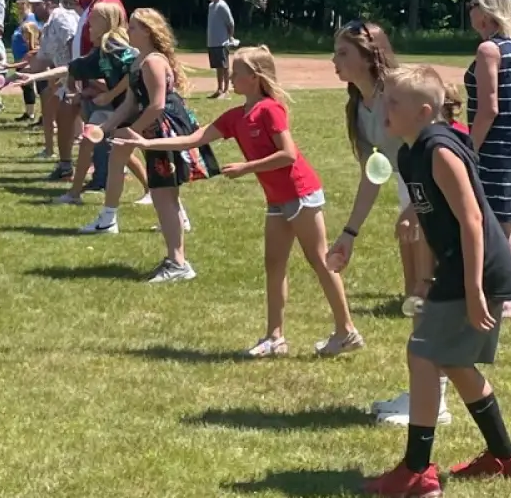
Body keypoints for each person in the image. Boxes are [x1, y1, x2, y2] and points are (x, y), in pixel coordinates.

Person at [121, 46, 360, 355]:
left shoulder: (270, 109)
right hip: (277, 199)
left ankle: (347, 331)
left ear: (255, 78)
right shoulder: (237, 116)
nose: (230, 78)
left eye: (237, 73)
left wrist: (247, 167)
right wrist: (146, 142)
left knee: (320, 261)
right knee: (274, 265)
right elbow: (195, 138)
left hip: (301, 194)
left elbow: (288, 154)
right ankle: (275, 338)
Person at [365, 64, 511, 495]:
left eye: (393, 102)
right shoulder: (409, 151)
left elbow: (472, 218)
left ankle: (417, 471)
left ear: (422, 111)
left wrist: (474, 291)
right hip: (456, 268)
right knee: (452, 361)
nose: (385, 107)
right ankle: (506, 457)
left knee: (422, 354)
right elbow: (431, 213)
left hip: (478, 270)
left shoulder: (440, 149)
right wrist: (422, 272)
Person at [326, 20, 441, 425]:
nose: (335, 61)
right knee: (414, 296)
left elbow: (436, 142)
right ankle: (423, 394)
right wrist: (349, 233)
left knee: (427, 296)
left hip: (432, 195)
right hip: (410, 196)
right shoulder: (359, 105)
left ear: (369, 55)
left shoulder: (397, 91)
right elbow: (374, 173)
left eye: (343, 53)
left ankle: (433, 403)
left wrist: (420, 202)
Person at [99, 8, 205, 283]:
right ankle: (176, 260)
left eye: (133, 27)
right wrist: (105, 127)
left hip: (165, 128)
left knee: (163, 195)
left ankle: (178, 263)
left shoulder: (153, 62)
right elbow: (131, 104)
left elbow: (157, 104)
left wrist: (134, 134)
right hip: (153, 129)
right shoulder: (138, 61)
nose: (128, 31)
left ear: (147, 31)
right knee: (163, 195)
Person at [463, 0, 511, 321]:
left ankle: (506, 297)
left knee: (498, 221)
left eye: (473, 5)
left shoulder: (489, 51)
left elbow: (489, 108)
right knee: (509, 218)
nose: (470, 12)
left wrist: (469, 149)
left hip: (500, 141)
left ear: (485, 11)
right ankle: (508, 286)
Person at [54, 1, 142, 209]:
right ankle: (75, 193)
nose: (88, 27)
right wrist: (32, 77)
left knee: (122, 150)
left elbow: (135, 69)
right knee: (100, 146)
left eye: (92, 22)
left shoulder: (116, 47)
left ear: (106, 22)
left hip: (123, 109)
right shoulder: (101, 49)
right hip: (112, 109)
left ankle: (76, 193)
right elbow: (71, 68)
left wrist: (111, 94)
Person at [25, 0, 80, 176]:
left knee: (93, 122)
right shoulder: (49, 25)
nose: (33, 8)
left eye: (37, 4)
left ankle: (108, 164)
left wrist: (73, 76)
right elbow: (43, 58)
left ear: (49, 3)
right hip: (64, 77)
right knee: (61, 116)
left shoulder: (62, 19)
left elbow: (74, 43)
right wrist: (15, 75)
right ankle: (66, 165)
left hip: (75, 77)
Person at [11, 1, 42, 122]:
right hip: (21, 57)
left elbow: (34, 34)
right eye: (18, 7)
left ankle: (31, 113)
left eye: (22, 7)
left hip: (27, 57)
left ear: (28, 7)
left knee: (28, 85)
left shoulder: (31, 18)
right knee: (25, 86)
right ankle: (29, 112)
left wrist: (30, 50)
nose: (19, 10)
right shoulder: (22, 20)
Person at [206, 0, 237, 98]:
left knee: (224, 66)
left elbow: (231, 23)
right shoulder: (211, 6)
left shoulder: (222, 6)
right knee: (218, 67)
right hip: (212, 42)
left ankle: (226, 90)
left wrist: (230, 37)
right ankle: (219, 89)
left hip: (221, 41)